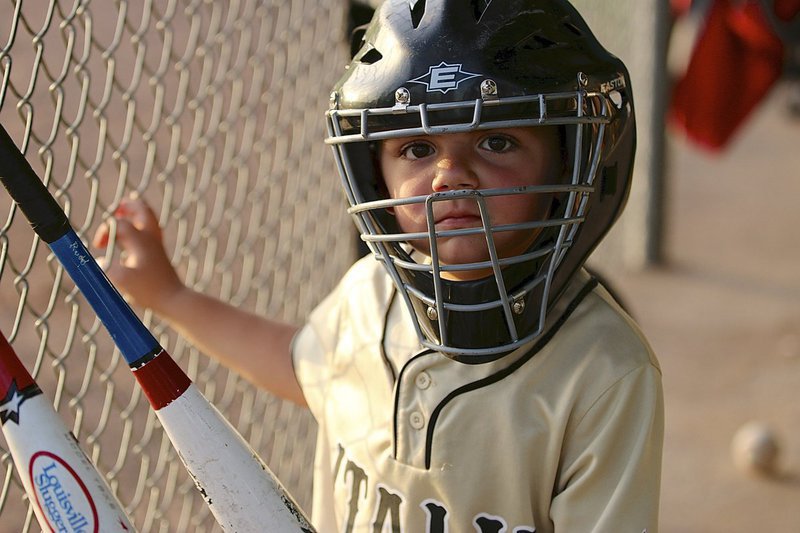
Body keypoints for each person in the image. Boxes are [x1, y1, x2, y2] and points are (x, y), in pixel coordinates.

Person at [94, 1, 664, 531]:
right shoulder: (371, 292)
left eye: (497, 139)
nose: (451, 176)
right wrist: (171, 297)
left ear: (569, 156)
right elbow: (308, 370)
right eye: (417, 149)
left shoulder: (605, 373)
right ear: (375, 171)